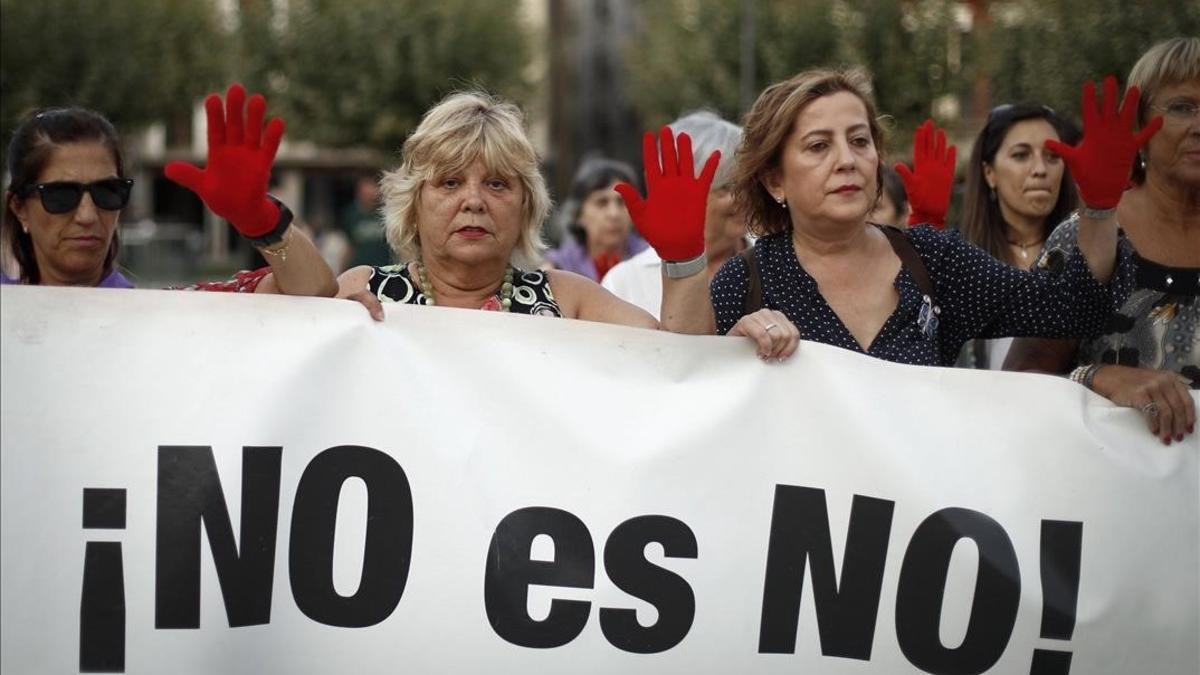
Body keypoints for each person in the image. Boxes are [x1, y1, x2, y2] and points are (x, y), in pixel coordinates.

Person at [622, 67, 1152, 370]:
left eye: (859, 141)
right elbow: (684, 384)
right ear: (775, 180)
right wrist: (726, 325)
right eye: (817, 146)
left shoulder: (934, 260)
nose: (847, 160)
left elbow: (1072, 310)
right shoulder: (749, 281)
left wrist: (1101, 208)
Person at [334, 90, 795, 359]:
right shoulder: (363, 291)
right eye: (450, 182)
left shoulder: (570, 298)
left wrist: (683, 260)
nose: (473, 201)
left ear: (526, 207)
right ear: (413, 203)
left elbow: (677, 362)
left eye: (497, 185)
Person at [1006, 37, 1199, 445]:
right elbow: (1019, 382)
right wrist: (1100, 377)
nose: (1199, 125)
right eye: (1183, 107)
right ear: (1139, 127)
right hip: (1102, 496)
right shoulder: (1088, 233)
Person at [4, 88, 337, 297]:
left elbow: (315, 291)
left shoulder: (168, 315)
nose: (88, 215)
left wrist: (261, 220)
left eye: (108, 192)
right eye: (62, 195)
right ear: (19, 207)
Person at [956, 103, 1081, 368]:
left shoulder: (1090, 258)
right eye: (1021, 155)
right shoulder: (959, 262)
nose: (1040, 169)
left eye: (1052, 156)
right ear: (989, 173)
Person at [602, 111, 748, 318]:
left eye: (747, 185)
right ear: (684, 192)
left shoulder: (776, 263)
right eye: (727, 187)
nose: (743, 198)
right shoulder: (625, 282)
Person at [543, 157, 647, 282]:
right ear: (578, 214)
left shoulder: (652, 261)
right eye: (601, 203)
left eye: (622, 202)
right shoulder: (557, 270)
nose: (614, 214)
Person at [340, 174, 391, 269]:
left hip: (382, 267)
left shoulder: (385, 214)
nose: (369, 196)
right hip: (359, 267)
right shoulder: (352, 215)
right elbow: (349, 245)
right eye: (365, 193)